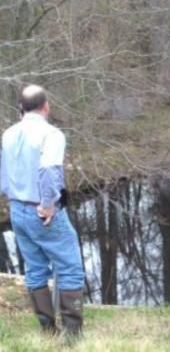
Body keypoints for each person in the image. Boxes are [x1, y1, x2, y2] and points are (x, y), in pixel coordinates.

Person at [0, 84, 84, 337]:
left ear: (21, 108)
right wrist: (47, 205)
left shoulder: (8, 134)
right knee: (70, 268)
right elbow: (49, 171)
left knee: (35, 269)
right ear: (46, 106)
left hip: (17, 210)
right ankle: (71, 335)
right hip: (43, 213)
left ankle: (48, 330)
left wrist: (13, 196)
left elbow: (3, 176)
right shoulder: (52, 134)